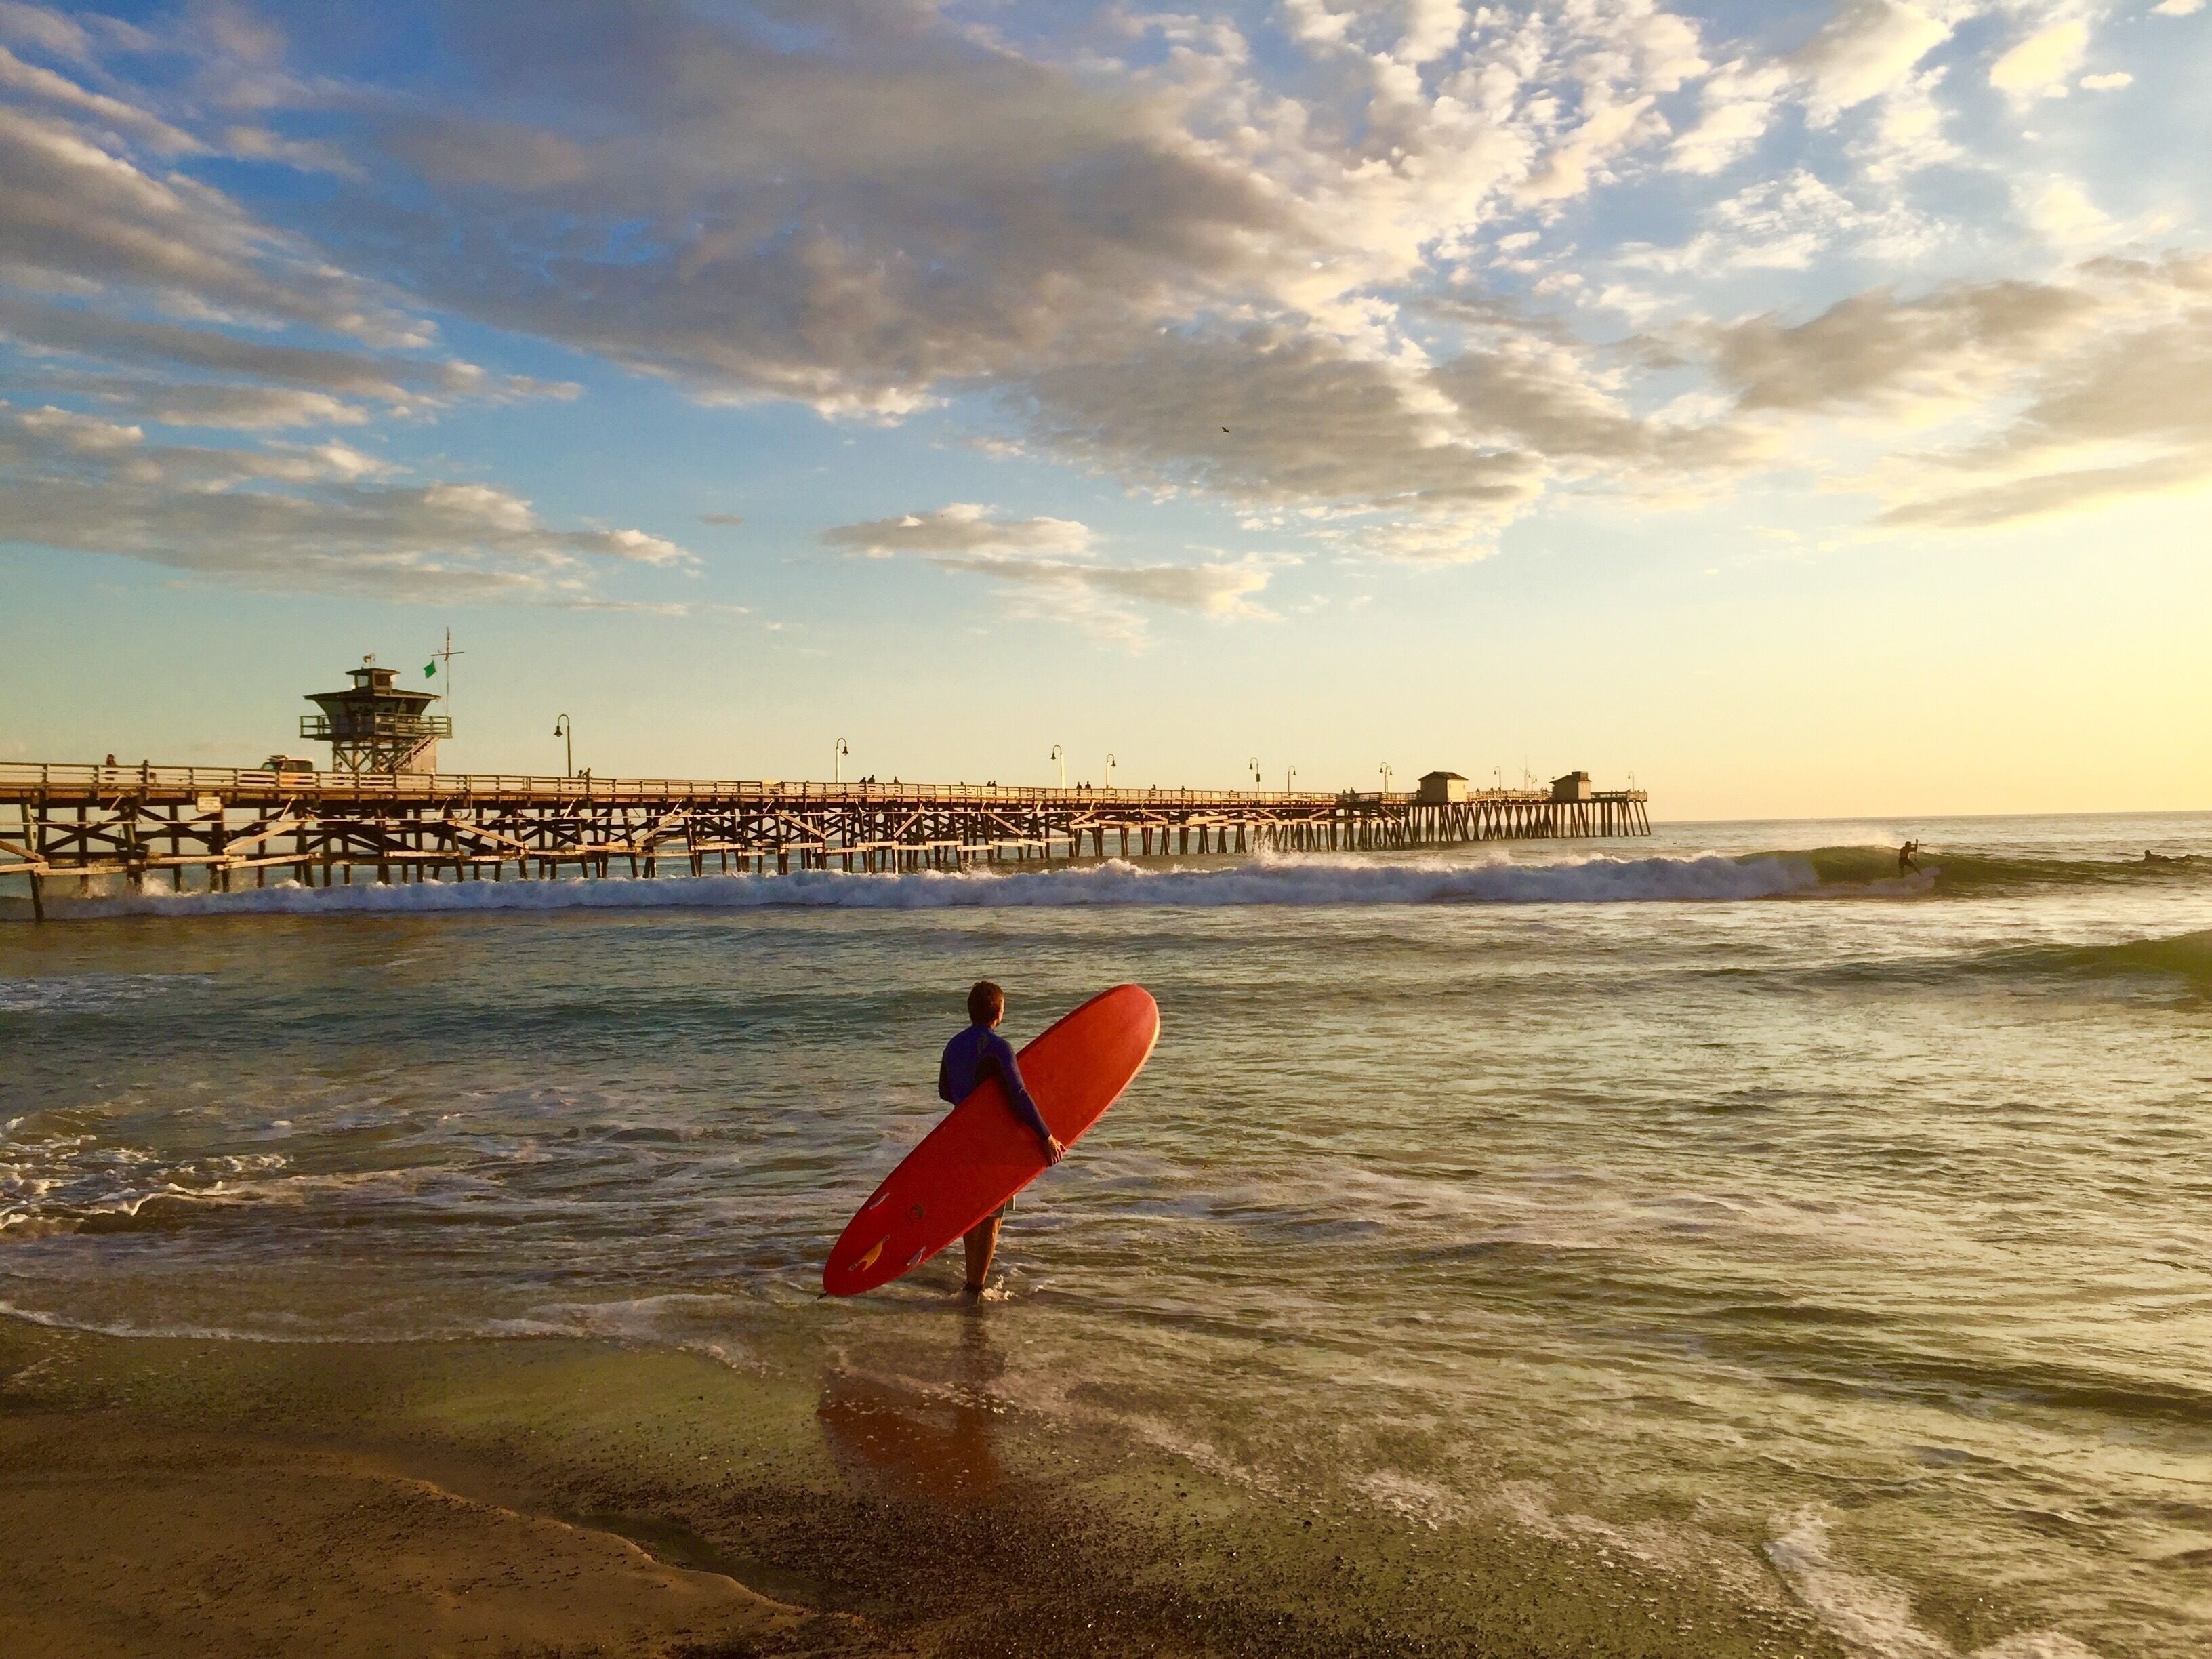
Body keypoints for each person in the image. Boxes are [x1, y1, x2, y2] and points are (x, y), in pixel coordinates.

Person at [939, 980, 1064, 1296]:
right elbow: (1019, 1095)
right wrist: (1046, 1136)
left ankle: (971, 1281)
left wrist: (971, 1103)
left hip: (961, 1136)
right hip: (992, 1143)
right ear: (999, 1012)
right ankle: (976, 1287)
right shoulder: (999, 1047)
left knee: (973, 1213)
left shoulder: (953, 1045)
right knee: (992, 1217)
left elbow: (944, 1091)